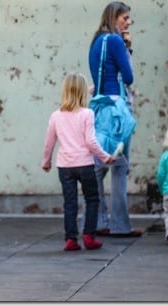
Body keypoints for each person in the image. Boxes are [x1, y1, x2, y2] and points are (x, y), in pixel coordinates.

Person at [86, 1, 142, 237]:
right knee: (120, 166)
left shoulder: (96, 41)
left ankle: (97, 221)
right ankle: (120, 225)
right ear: (114, 18)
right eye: (125, 18)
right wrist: (128, 48)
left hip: (101, 106)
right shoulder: (117, 41)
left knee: (99, 164)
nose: (128, 23)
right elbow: (128, 77)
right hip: (118, 107)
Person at [42, 72, 114, 251]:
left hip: (64, 166)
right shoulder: (87, 114)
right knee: (92, 198)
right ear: (83, 92)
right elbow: (90, 142)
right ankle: (89, 236)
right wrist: (105, 156)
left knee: (70, 202)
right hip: (84, 164)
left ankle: (71, 239)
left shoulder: (56, 116)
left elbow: (49, 141)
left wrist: (46, 161)